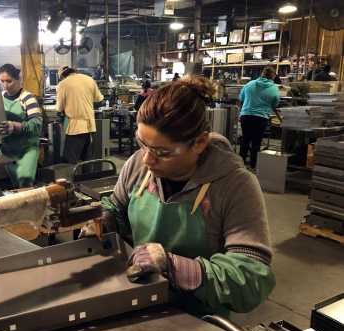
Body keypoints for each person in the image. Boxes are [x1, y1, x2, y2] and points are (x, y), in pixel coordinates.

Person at [96, 75, 275, 317]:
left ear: (200, 142)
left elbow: (251, 279)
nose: (147, 159)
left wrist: (177, 268)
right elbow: (117, 206)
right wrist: (105, 220)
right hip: (138, 302)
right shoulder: (138, 165)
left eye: (163, 152)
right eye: (143, 144)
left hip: (197, 318)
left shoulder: (235, 185)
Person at [0, 63, 42, 188]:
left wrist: (15, 126)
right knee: (15, 186)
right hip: (7, 151)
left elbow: (37, 125)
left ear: (18, 79)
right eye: (2, 81)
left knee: (25, 183)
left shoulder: (27, 98)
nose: (5, 85)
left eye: (9, 81)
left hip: (26, 150)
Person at [56, 65, 104, 164]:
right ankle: (87, 178)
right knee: (87, 159)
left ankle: (73, 179)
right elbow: (100, 100)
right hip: (90, 126)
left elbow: (59, 108)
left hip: (75, 128)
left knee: (71, 159)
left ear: (62, 76)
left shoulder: (63, 84)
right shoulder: (89, 80)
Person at [239, 66, 280, 169]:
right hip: (260, 118)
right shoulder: (274, 88)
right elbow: (275, 103)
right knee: (256, 142)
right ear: (272, 76)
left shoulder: (249, 84)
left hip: (246, 115)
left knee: (245, 140)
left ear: (262, 74)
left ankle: (240, 164)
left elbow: (241, 98)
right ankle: (253, 165)